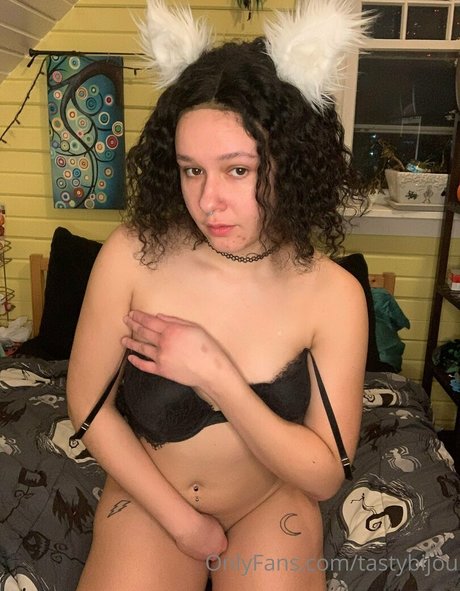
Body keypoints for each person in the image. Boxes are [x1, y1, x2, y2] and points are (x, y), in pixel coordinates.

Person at [67, 0, 370, 589]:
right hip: (154, 497)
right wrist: (185, 525)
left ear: (288, 163)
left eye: (237, 170)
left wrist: (215, 375)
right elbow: (87, 405)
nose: (208, 202)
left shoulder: (334, 294)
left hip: (269, 504)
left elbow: (326, 474)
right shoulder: (133, 254)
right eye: (191, 170)